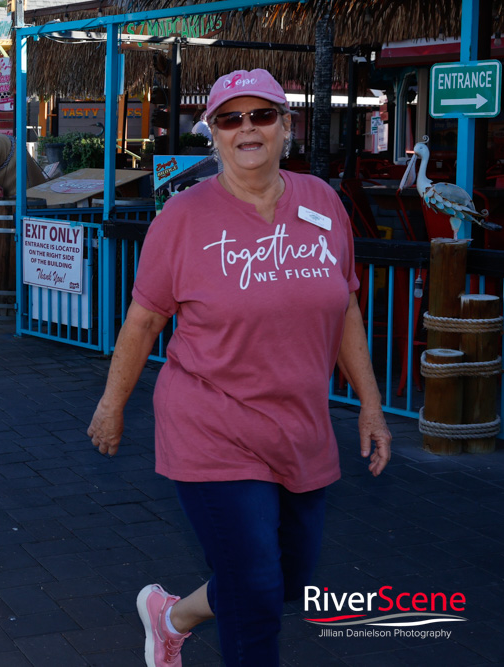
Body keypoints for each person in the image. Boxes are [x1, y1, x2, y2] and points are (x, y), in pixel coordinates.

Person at [87, 69, 392, 667]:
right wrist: (110, 405)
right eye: (230, 118)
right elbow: (143, 321)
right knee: (254, 589)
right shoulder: (183, 217)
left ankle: (172, 617)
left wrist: (373, 406)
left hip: (300, 426)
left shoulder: (322, 202)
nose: (247, 128)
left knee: (286, 580)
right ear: (214, 135)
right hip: (211, 423)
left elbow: (346, 305)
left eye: (261, 115)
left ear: (287, 126)